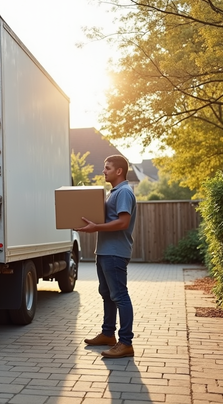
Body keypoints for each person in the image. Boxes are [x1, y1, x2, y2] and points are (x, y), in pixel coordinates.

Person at [75, 154, 137, 359]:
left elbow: (123, 223)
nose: (104, 171)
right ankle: (108, 334)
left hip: (115, 253)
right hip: (104, 251)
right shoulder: (113, 193)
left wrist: (95, 228)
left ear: (119, 171)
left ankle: (126, 343)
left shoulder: (125, 192)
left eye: (107, 167)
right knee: (106, 293)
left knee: (119, 296)